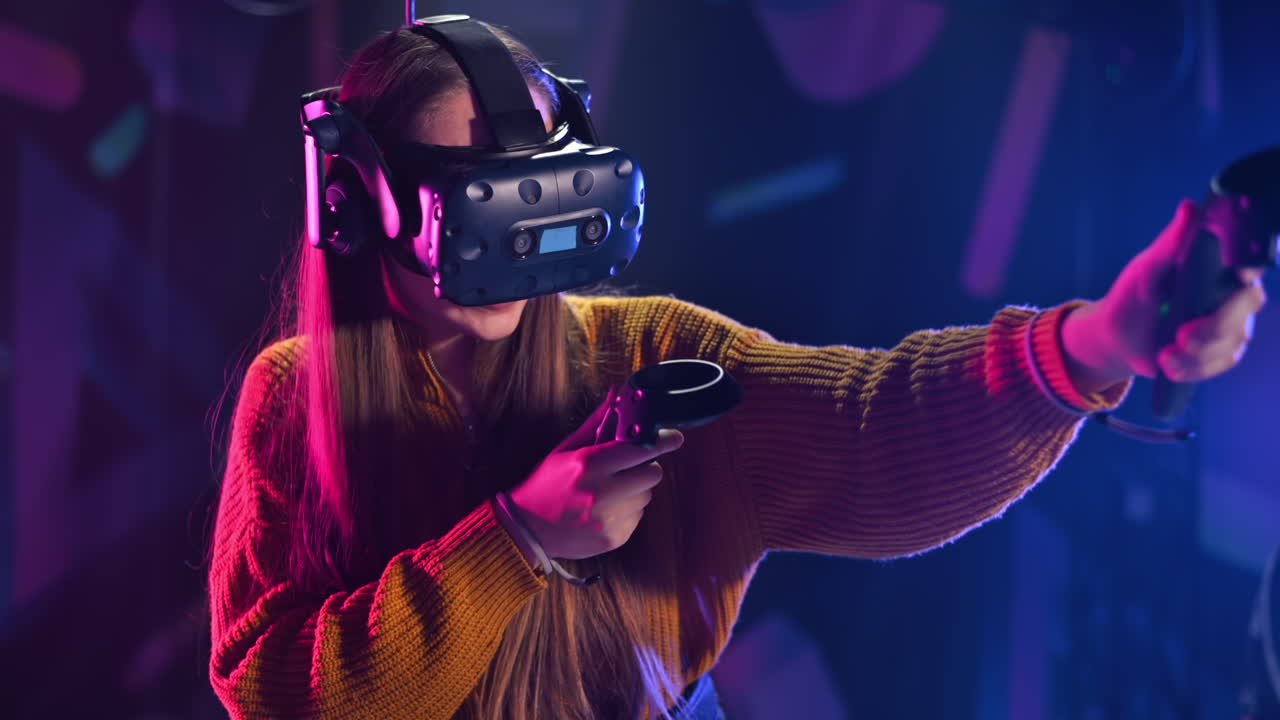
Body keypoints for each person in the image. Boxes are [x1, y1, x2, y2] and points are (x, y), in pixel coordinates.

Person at [206, 22, 1266, 720]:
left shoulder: (650, 350)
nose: (507, 244)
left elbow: (872, 429)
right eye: (461, 197)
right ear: (351, 201)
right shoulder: (295, 397)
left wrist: (1095, 345)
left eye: (529, 193)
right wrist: (520, 538)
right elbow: (282, 693)